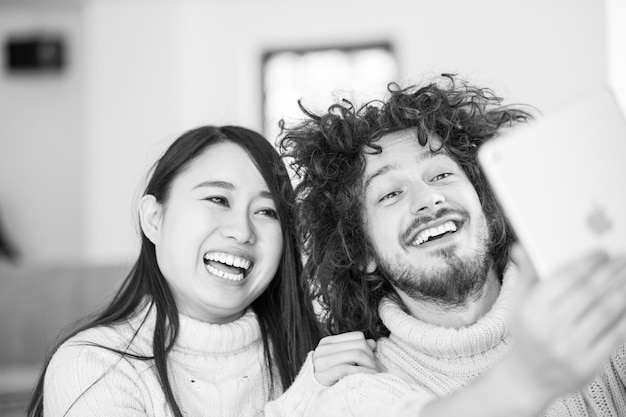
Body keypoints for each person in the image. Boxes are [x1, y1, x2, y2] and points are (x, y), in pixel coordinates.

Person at [279, 75, 626, 416]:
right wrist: (527, 376)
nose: (428, 199)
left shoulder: (599, 303)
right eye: (391, 193)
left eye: (441, 175)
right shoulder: (356, 393)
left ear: (488, 210)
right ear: (362, 252)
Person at [27, 125, 377, 417]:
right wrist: (301, 404)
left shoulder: (321, 357)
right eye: (218, 200)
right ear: (154, 218)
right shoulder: (91, 366)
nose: (242, 231)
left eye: (267, 212)